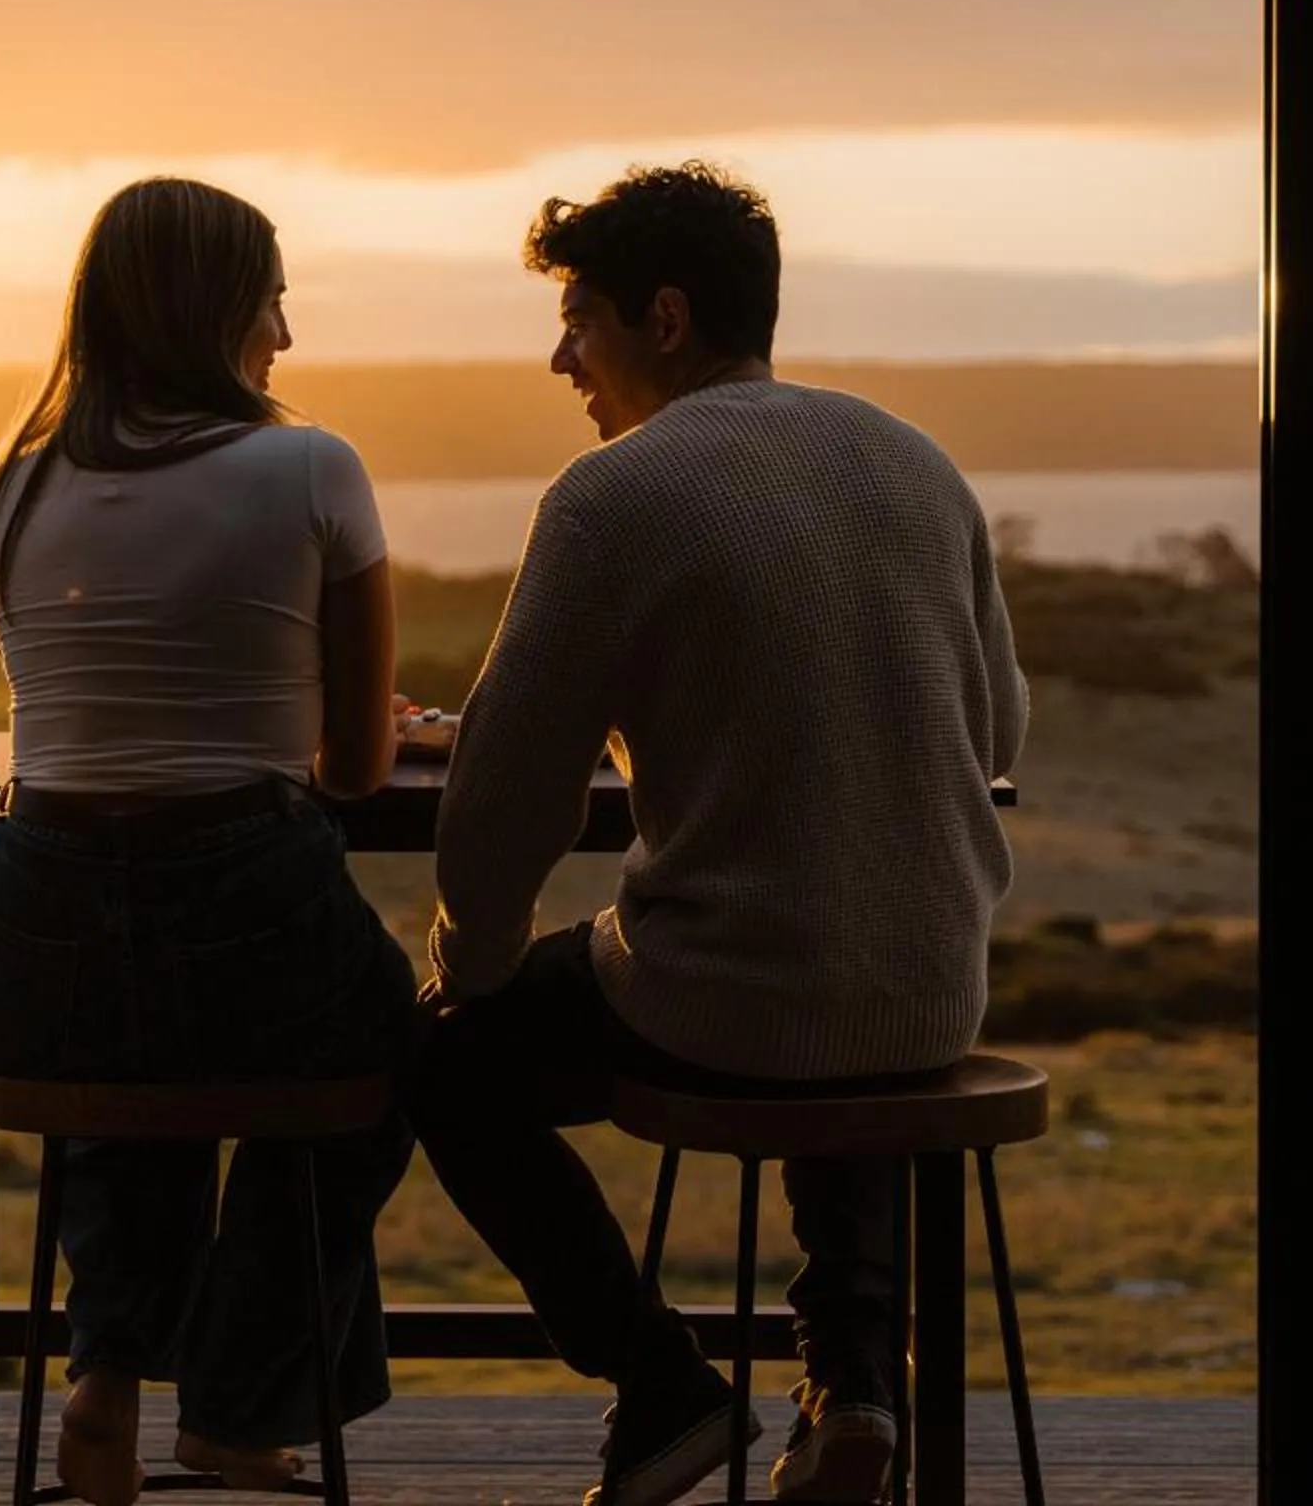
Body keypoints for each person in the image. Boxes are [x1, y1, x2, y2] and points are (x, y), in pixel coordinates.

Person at [403, 163, 1028, 1506]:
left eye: (579, 317)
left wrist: (478, 957)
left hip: (733, 1003)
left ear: (665, 319)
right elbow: (1002, 735)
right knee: (829, 980)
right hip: (930, 994)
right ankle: (856, 1387)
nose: (560, 353)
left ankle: (663, 1388)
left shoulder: (611, 496)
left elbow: (506, 801)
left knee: (444, 1064)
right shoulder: (913, 460)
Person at [0, 177, 420, 1506]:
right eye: (271, 298)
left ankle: (102, 1369)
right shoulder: (313, 466)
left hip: (29, 936)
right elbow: (357, 767)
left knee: (124, 1070)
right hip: (242, 889)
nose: (286, 332)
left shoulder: (12, 487)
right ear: (217, 312)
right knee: (382, 1062)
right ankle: (235, 1404)